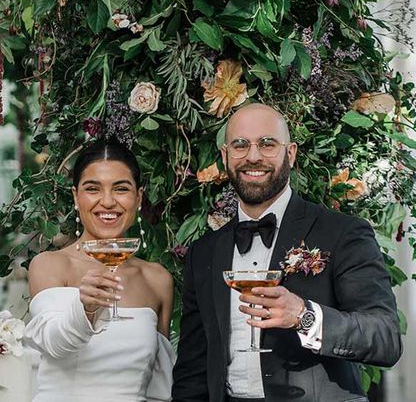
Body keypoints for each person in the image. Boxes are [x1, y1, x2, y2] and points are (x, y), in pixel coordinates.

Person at [172, 103, 402, 402]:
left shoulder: (343, 233)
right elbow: (193, 370)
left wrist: (305, 316)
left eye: (267, 143)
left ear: (290, 153)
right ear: (225, 156)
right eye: (240, 145)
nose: (253, 156)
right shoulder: (204, 252)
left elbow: (384, 338)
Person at [25, 140, 175, 401]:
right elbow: (54, 345)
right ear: (76, 196)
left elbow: (159, 386)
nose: (107, 202)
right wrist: (85, 310)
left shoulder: (157, 279)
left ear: (138, 197)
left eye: (121, 189)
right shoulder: (50, 265)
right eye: (93, 189)